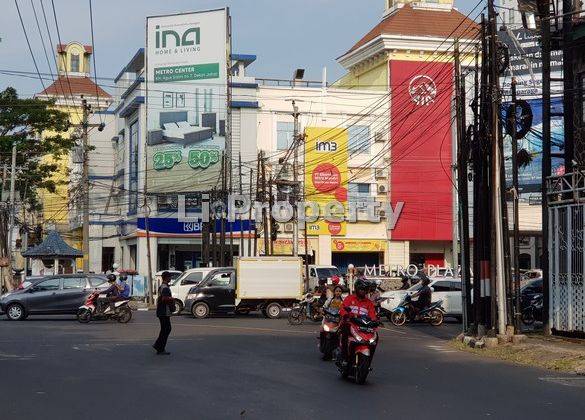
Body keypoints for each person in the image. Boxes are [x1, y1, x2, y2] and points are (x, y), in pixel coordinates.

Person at [337, 278, 377, 363]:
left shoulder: (369, 303)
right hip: (349, 323)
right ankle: (344, 358)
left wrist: (374, 324)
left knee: (376, 337)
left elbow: (372, 315)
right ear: (357, 288)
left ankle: (369, 360)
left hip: (362, 326)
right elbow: (342, 308)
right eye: (361, 289)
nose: (363, 291)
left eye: (365, 289)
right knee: (344, 330)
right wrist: (345, 315)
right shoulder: (349, 298)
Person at [153, 271, 174, 355]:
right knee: (166, 329)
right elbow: (164, 299)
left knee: (165, 329)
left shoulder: (162, 286)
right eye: (170, 277)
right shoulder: (165, 287)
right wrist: (172, 299)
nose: (170, 278)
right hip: (164, 311)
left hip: (162, 311)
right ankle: (159, 347)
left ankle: (158, 346)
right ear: (166, 278)